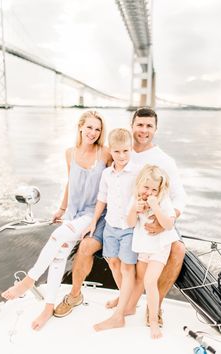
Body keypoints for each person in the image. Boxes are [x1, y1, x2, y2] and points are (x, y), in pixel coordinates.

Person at [54, 107, 186, 325]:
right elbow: (92, 179)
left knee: (178, 248)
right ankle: (75, 295)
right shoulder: (114, 149)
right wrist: (66, 209)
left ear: (155, 129)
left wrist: (165, 223)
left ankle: (155, 306)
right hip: (113, 217)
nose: (143, 130)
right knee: (87, 246)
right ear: (131, 125)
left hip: (151, 216)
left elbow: (179, 197)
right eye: (140, 125)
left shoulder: (164, 160)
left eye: (149, 126)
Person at [1, 110, 112, 330]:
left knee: (57, 236)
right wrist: (62, 208)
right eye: (89, 127)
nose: (93, 132)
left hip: (92, 214)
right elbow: (70, 183)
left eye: (97, 129)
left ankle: (29, 281)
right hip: (73, 212)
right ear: (80, 126)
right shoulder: (69, 153)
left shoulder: (105, 153)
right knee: (59, 255)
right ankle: (48, 307)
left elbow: (114, 183)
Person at [88, 128, 138, 331]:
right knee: (114, 263)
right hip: (110, 225)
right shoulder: (107, 174)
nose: (122, 156)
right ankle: (123, 298)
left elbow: (142, 197)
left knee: (127, 268)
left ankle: (120, 316)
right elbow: (102, 197)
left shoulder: (137, 172)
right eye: (117, 152)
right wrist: (93, 222)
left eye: (126, 151)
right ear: (111, 151)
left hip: (129, 228)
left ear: (131, 148)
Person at [127, 164, 179, 338]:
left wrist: (156, 207)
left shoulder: (163, 201)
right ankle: (131, 306)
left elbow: (169, 224)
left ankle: (154, 321)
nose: (149, 192)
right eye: (146, 187)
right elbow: (131, 223)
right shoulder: (136, 199)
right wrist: (135, 209)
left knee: (150, 281)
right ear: (139, 185)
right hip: (144, 247)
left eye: (154, 189)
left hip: (160, 247)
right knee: (140, 279)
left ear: (160, 190)